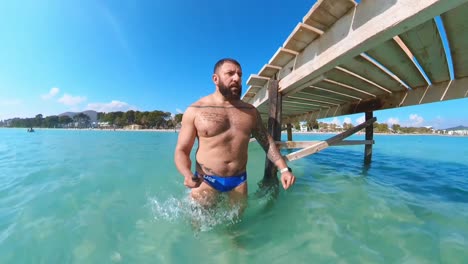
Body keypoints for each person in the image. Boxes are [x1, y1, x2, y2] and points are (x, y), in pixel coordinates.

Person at [174, 58, 296, 211]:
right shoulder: (195, 110)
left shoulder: (250, 112)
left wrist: (284, 169)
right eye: (230, 74)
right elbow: (181, 150)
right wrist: (186, 174)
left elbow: (266, 142)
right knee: (199, 228)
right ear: (215, 79)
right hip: (206, 180)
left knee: (235, 232)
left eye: (239, 74)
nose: (237, 78)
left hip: (238, 181)